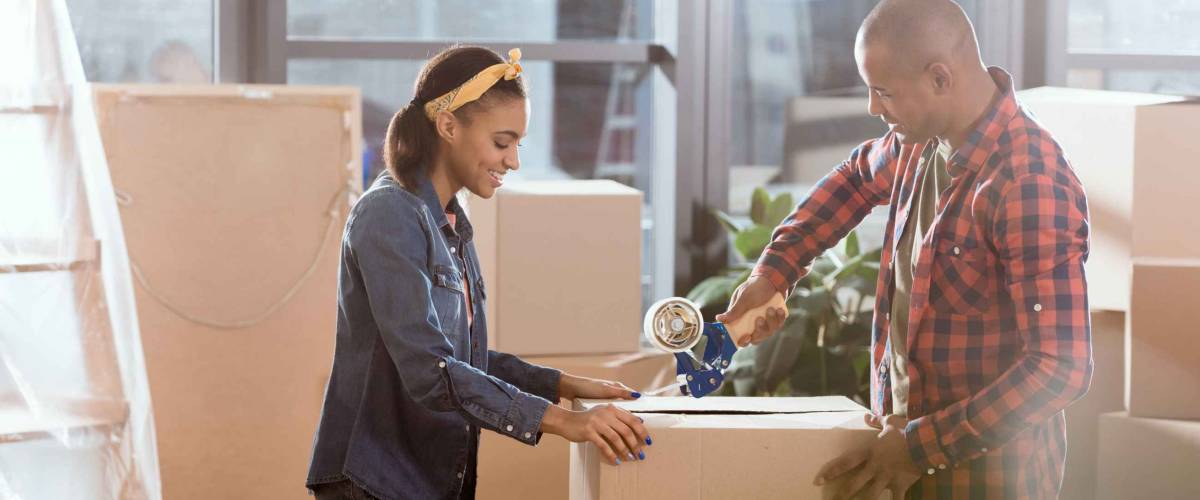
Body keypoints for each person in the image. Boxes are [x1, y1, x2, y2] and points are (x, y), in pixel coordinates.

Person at [717, 1, 1092, 498]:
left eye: (884, 92)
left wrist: (922, 446)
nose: (874, 107)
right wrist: (775, 274)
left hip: (986, 482)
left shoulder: (1028, 182)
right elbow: (853, 180)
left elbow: (1059, 367)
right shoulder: (920, 140)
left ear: (940, 78)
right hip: (902, 462)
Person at [306, 45, 651, 500]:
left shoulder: (453, 224)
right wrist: (565, 421)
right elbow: (432, 371)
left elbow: (462, 359)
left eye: (517, 145)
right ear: (448, 126)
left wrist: (561, 385)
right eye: (502, 142)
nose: (513, 161)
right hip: (375, 481)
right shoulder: (389, 214)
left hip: (424, 481)